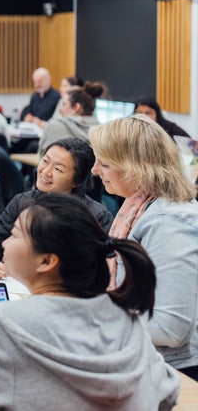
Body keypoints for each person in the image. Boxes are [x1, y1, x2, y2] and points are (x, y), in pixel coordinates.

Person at [0, 193, 181, 410]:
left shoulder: (5, 323)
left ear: (46, 261)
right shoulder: (127, 320)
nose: (5, 243)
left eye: (16, 235)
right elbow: (168, 392)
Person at [90, 115, 198, 379]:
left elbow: (171, 329)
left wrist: (93, 322)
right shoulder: (139, 206)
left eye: (104, 163)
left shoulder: (167, 222)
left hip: (175, 371)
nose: (94, 170)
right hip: (147, 357)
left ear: (135, 169)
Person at [0, 138, 113, 277]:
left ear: (78, 181)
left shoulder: (96, 217)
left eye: (58, 169)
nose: (46, 171)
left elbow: (98, 270)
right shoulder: (23, 202)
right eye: (45, 161)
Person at [37, 82, 104, 153]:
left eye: (64, 104)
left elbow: (42, 156)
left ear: (76, 107)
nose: (60, 109)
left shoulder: (54, 127)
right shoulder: (102, 133)